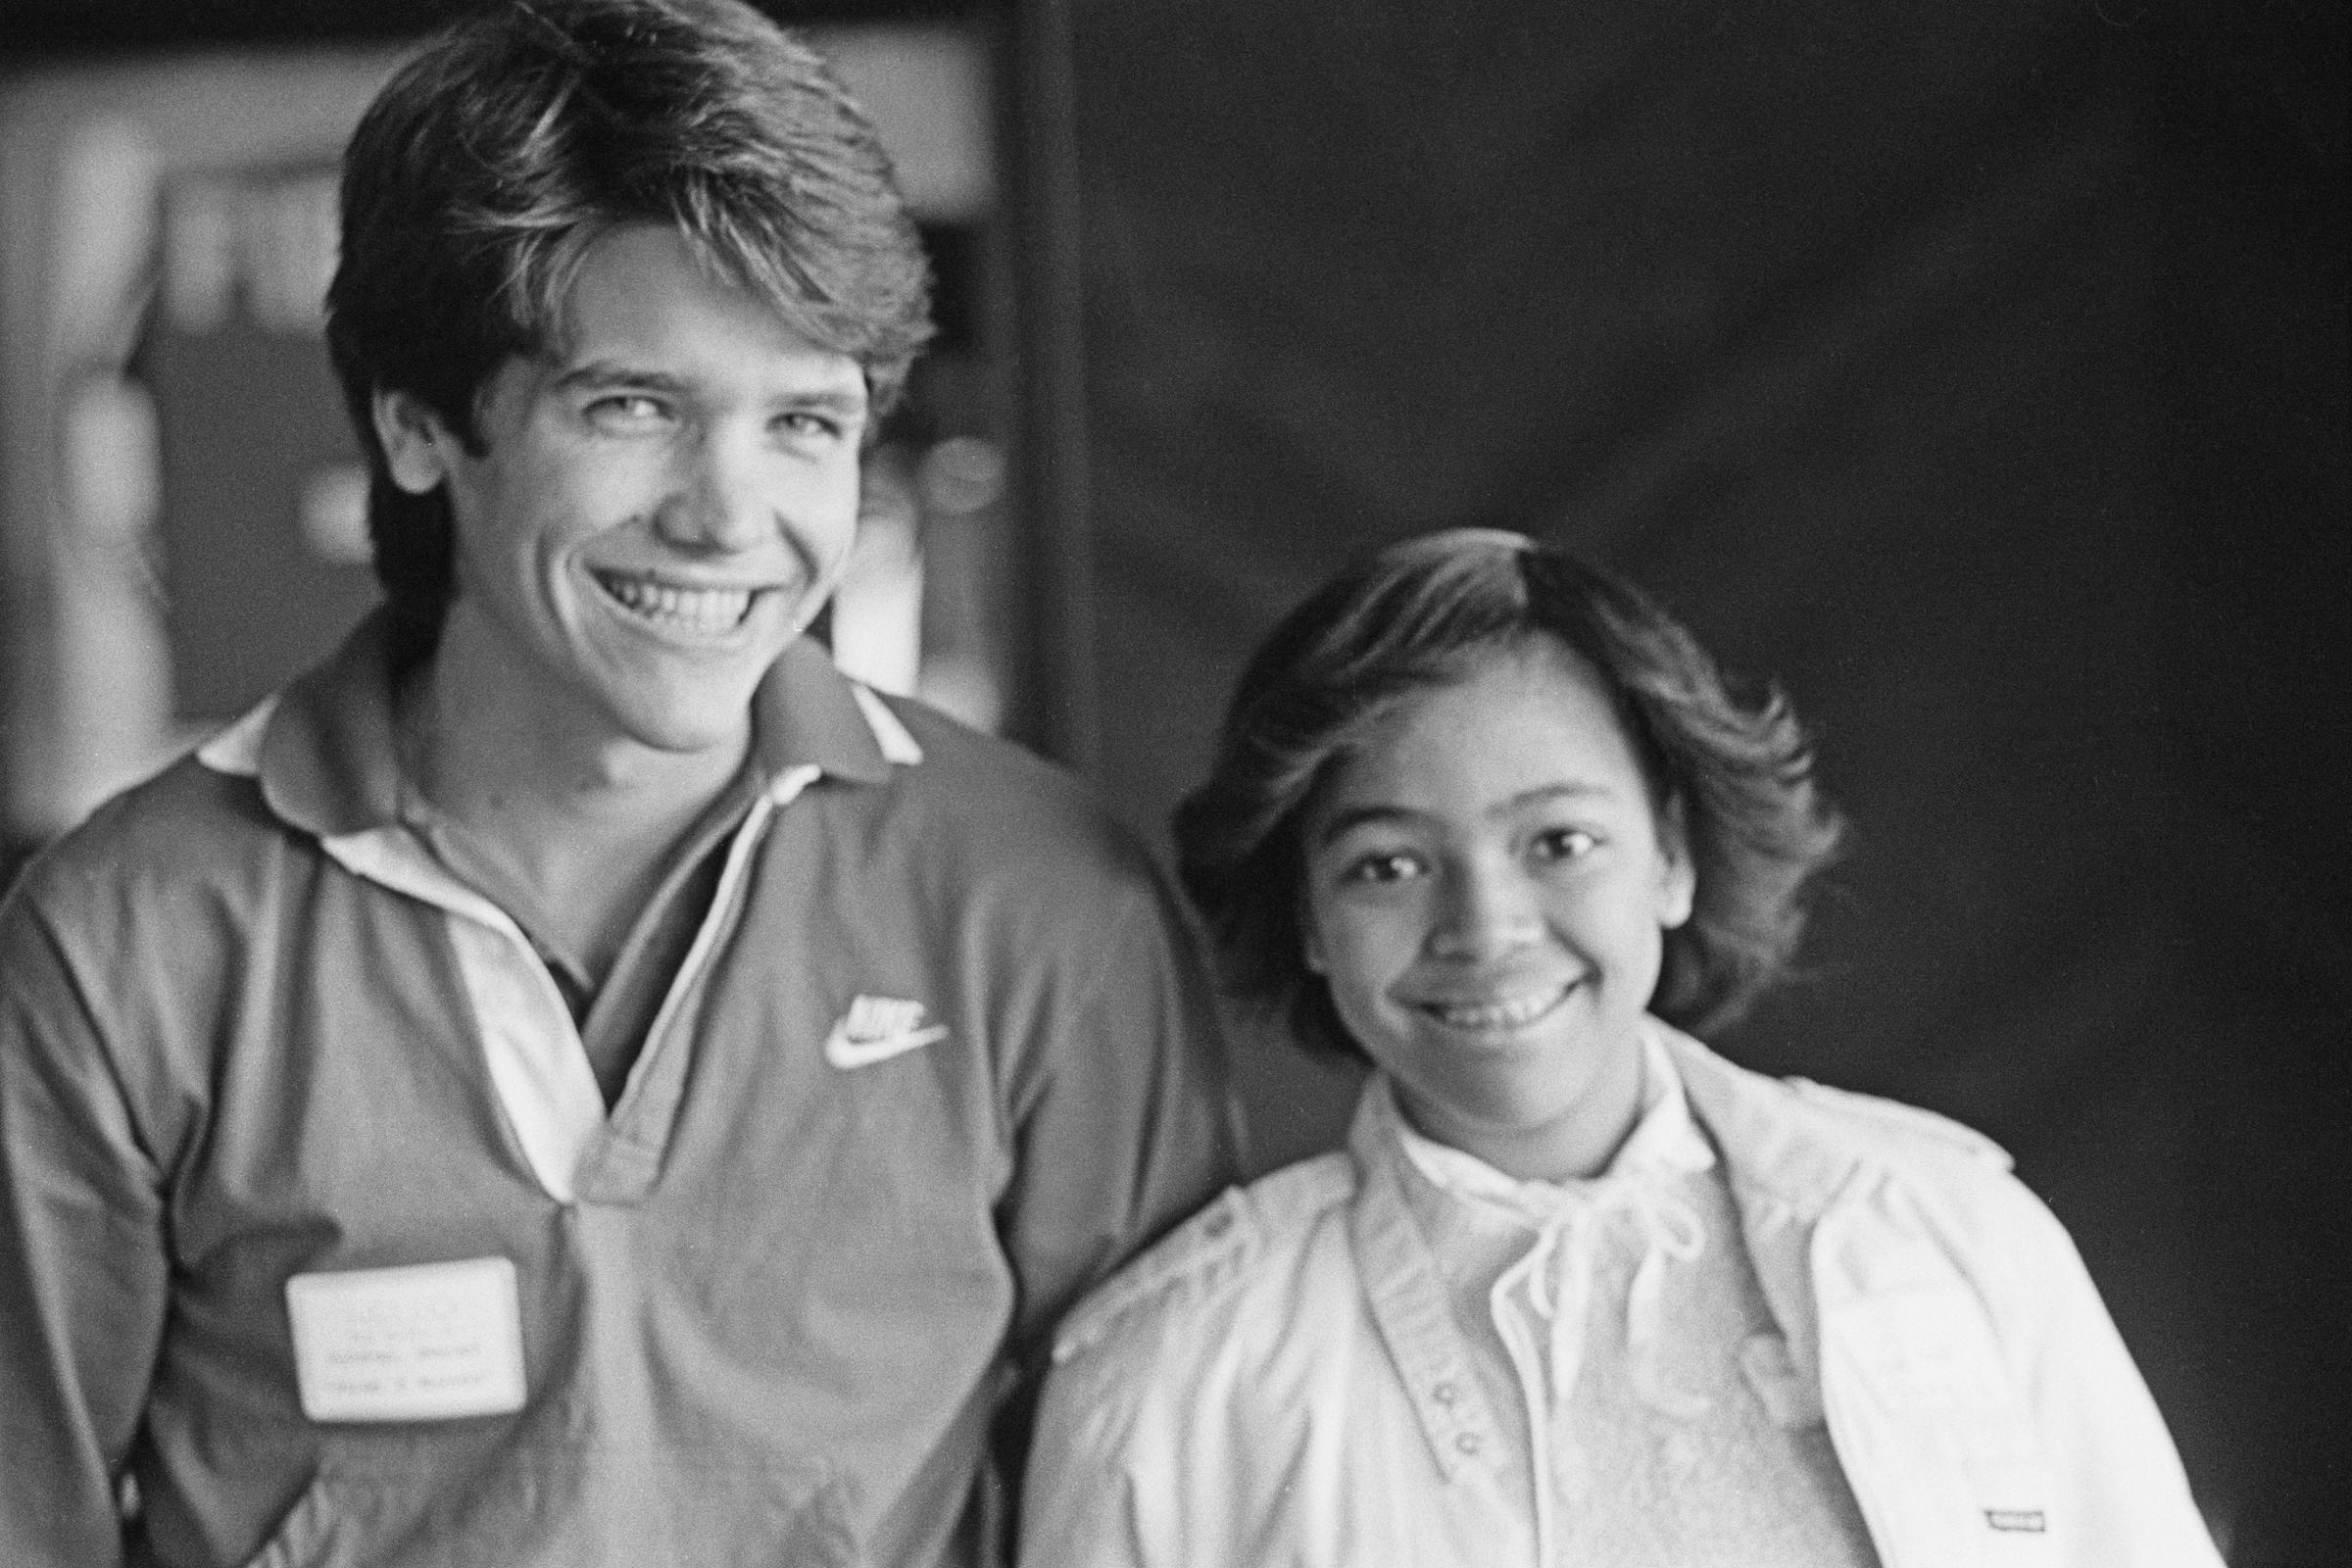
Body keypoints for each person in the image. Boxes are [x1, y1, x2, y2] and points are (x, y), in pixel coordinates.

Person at [0, 3, 1236, 1563]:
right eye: (634, 408)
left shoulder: (1050, 905)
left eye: (804, 424)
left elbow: (1167, 1494)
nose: (731, 516)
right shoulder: (122, 942)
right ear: (418, 425)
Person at [1019, 529, 2221, 1567]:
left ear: (1675, 855)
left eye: (1560, 842)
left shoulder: (1951, 1235)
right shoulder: (1174, 1369)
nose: (1485, 928)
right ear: (1308, 919)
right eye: (1389, 864)